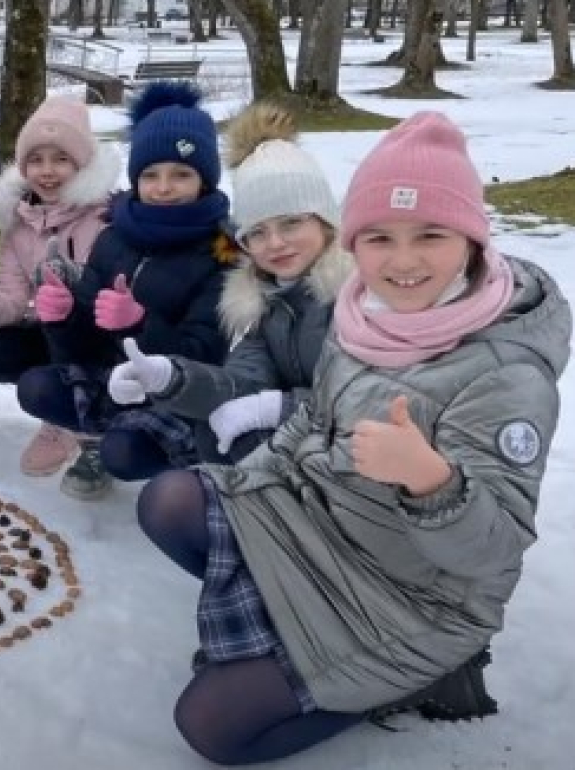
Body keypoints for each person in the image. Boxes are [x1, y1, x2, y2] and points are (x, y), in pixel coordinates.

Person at [136, 112, 569, 765]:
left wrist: (431, 482)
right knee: (171, 499)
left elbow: (491, 553)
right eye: (380, 238)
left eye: (430, 234)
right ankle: (283, 621)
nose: (402, 261)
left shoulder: (505, 372)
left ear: (474, 240)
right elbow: (312, 423)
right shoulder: (363, 311)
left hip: (414, 597)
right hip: (328, 527)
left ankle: (408, 678)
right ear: (355, 242)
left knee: (210, 725)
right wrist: (235, 482)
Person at [20, 81, 236, 498]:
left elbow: (206, 353)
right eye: (151, 174)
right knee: (37, 385)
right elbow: (81, 349)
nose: (164, 187)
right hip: (110, 377)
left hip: (172, 394)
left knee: (126, 453)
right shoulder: (113, 237)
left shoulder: (221, 254)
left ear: (205, 181)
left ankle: (185, 458)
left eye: (181, 174)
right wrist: (62, 316)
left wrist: (139, 324)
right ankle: (95, 439)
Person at [105, 101, 352, 464]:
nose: (276, 243)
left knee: (233, 442)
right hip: (307, 438)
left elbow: (371, 398)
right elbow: (241, 382)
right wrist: (168, 377)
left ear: (325, 221)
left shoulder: (356, 296)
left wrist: (278, 407)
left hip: (369, 455)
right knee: (214, 432)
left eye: (291, 223)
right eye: (258, 232)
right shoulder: (263, 300)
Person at [0, 94, 121, 476]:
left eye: (61, 159)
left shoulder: (107, 218)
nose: (47, 171)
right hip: (53, 335)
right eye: (36, 160)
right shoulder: (19, 227)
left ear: (82, 164)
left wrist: (75, 289)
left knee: (59, 311)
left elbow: (121, 295)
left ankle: (92, 427)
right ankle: (63, 410)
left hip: (105, 341)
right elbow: (11, 305)